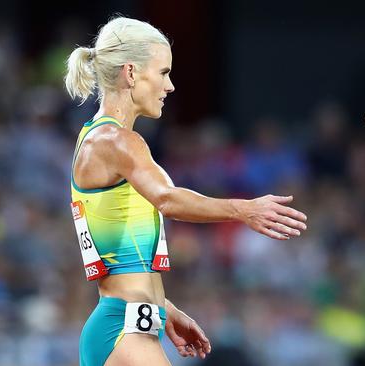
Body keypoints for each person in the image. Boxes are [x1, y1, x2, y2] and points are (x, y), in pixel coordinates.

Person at [65, 17, 308, 366]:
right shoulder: (115, 140)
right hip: (123, 331)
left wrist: (164, 309)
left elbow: (119, 249)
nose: (171, 86)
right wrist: (243, 210)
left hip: (127, 326)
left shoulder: (104, 139)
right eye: (163, 72)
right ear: (131, 73)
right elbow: (167, 198)